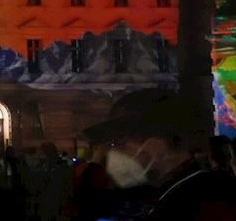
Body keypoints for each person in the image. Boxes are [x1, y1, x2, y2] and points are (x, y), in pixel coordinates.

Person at [79, 88, 206, 220]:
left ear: (155, 147)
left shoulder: (195, 203)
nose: (112, 153)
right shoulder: (170, 193)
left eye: (119, 144)